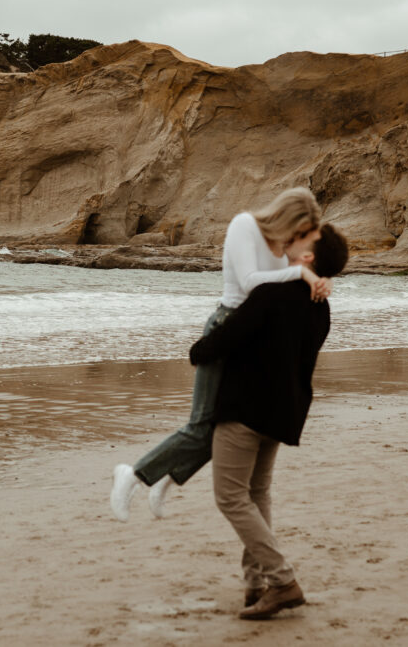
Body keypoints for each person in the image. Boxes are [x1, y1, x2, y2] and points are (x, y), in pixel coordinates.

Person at [110, 187, 331, 521]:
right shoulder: (245, 225)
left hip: (255, 333)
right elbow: (251, 283)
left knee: (230, 423)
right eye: (300, 232)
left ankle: (168, 478)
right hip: (228, 325)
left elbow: (283, 286)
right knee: (203, 425)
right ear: (290, 219)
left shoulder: (284, 244)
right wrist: (301, 273)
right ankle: (134, 474)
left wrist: (319, 281)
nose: (298, 241)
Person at [190, 223, 349, 620]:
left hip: (246, 409)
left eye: (301, 237)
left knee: (230, 496)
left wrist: (199, 345)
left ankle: (282, 581)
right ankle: (255, 584)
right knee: (256, 494)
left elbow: (212, 349)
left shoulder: (270, 295)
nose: (291, 238)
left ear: (307, 256)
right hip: (284, 412)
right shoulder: (320, 303)